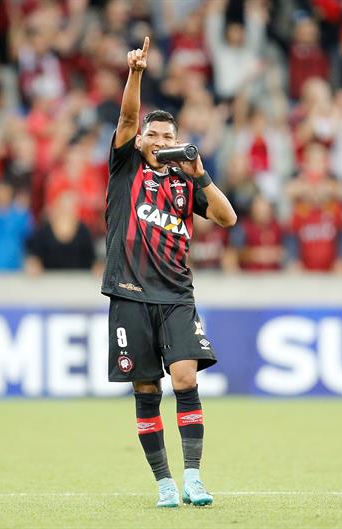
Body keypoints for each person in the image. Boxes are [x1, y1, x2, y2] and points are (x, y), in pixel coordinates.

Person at [102, 37, 236, 509]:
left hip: (177, 294)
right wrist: (136, 74)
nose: (159, 142)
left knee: (184, 379)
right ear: (139, 140)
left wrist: (201, 174)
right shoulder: (123, 168)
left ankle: (193, 478)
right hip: (130, 293)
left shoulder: (184, 180)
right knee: (145, 389)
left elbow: (227, 218)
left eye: (167, 137)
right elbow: (124, 118)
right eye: (152, 135)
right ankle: (163, 483)